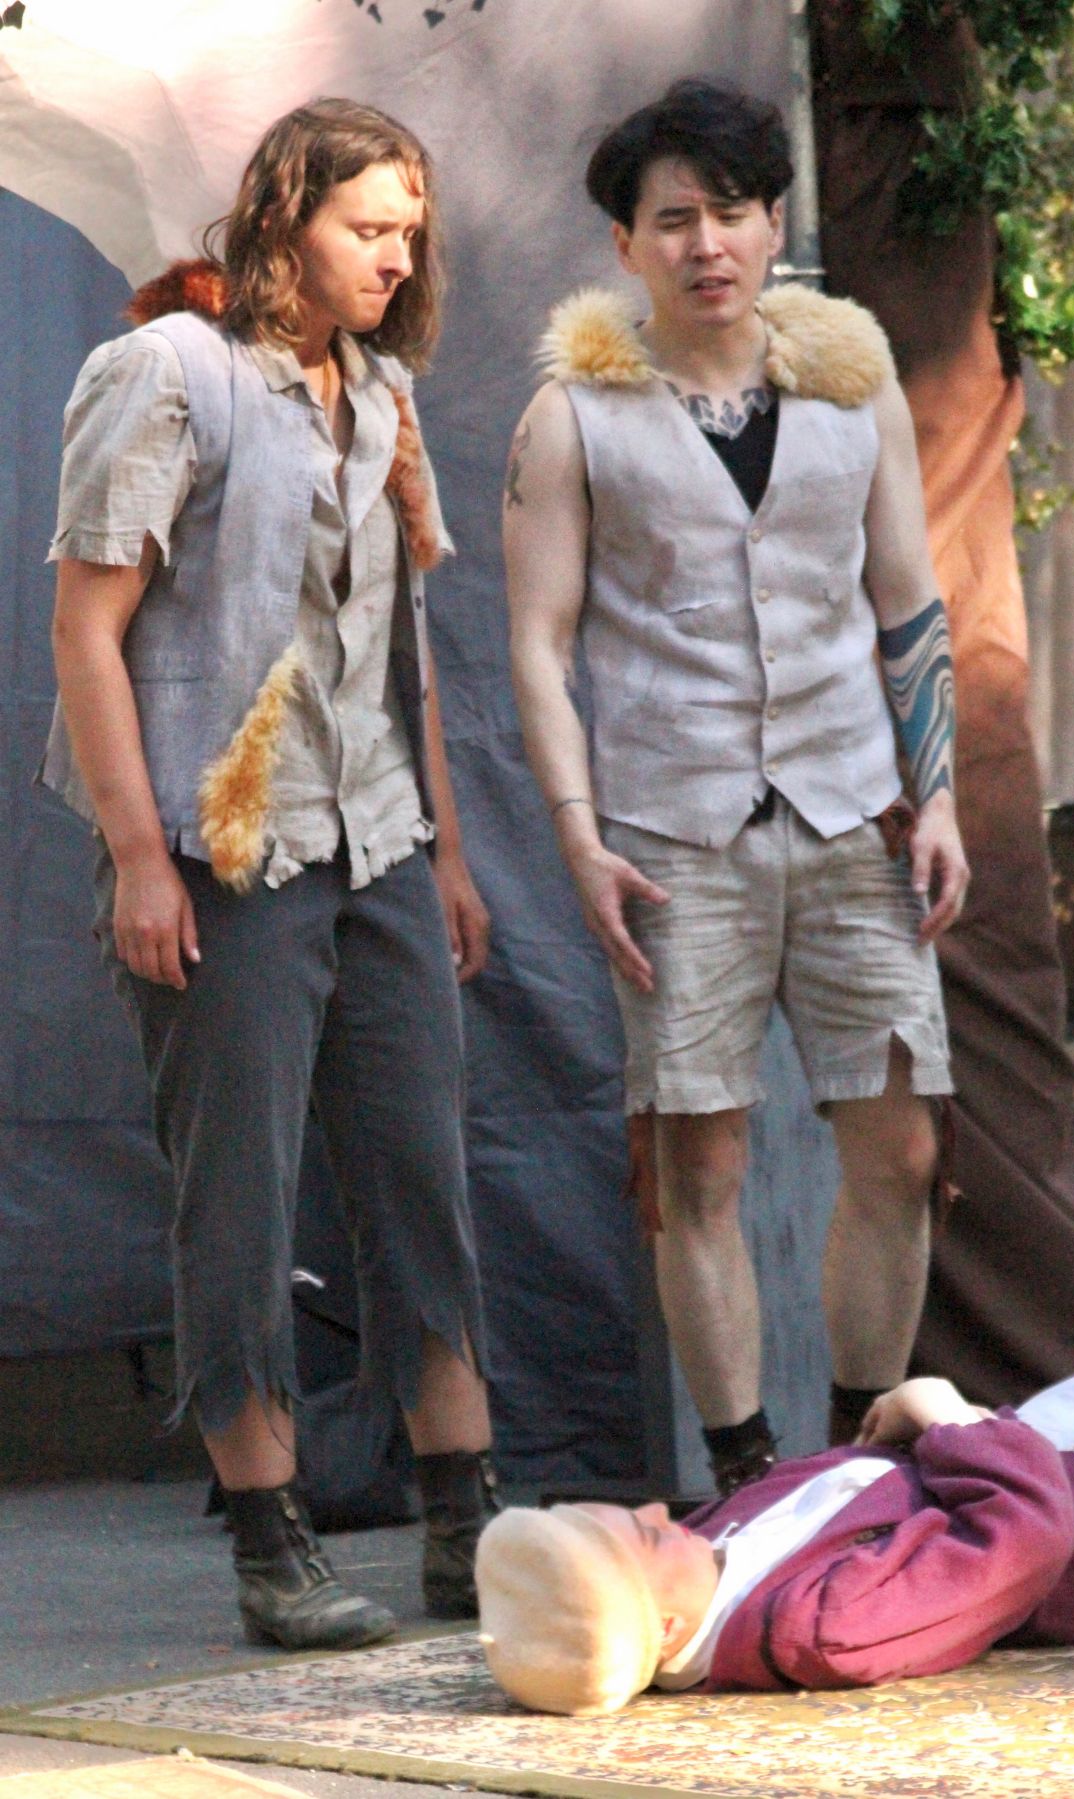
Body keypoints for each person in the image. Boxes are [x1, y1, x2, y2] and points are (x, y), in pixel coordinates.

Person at [43, 98, 499, 1649]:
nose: (396, 255)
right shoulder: (168, 372)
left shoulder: (383, 395)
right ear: (283, 218)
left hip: (378, 837)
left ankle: (465, 1521)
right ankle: (270, 1538)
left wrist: (443, 851)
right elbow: (86, 628)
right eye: (367, 226)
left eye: (409, 230)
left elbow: (398, 646)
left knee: (423, 1178)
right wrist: (137, 856)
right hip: (221, 844)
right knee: (238, 1197)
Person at [503, 78, 970, 1482]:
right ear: (626, 244)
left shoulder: (853, 385)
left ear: (776, 224)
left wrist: (940, 792)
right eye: (672, 219)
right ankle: (750, 1472)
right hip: (674, 828)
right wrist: (579, 837)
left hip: (855, 810)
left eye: (731, 213)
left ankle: (860, 1454)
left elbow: (909, 601)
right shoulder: (573, 413)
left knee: (900, 1146)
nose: (706, 243)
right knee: (695, 1163)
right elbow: (537, 643)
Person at [476, 1351, 1074, 1715]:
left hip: (1041, 1440)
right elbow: (1024, 1543)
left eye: (639, 1513)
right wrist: (937, 1409)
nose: (664, 1516)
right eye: (650, 1538)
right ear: (664, 1630)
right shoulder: (822, 1627)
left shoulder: (700, 1559)